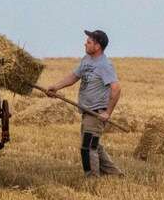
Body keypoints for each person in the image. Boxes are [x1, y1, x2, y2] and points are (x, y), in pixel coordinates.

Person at [46, 29, 122, 178]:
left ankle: (92, 179)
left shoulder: (104, 65)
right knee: (95, 145)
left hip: (96, 113)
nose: (85, 44)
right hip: (87, 111)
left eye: (89, 42)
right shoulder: (86, 60)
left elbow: (116, 88)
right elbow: (74, 76)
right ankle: (115, 174)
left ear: (98, 46)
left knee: (87, 147)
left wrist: (107, 112)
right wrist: (56, 87)